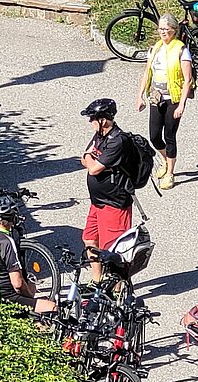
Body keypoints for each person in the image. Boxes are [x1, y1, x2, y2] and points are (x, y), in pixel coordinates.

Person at [136, 13, 193, 190]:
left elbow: (187, 80)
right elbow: (147, 73)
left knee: (169, 136)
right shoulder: (155, 49)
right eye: (160, 29)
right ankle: (165, 160)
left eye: (166, 29)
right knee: (154, 136)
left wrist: (182, 104)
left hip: (173, 99)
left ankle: (170, 173)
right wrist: (140, 95)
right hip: (156, 97)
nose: (162, 32)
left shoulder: (181, 50)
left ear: (174, 31)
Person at [0, 196, 57, 314]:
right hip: (5, 297)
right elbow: (17, 284)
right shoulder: (6, 242)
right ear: (12, 218)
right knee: (51, 307)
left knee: (31, 285)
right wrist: (30, 299)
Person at [80, 98, 133, 282]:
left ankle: (117, 292)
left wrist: (89, 158)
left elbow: (93, 168)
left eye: (92, 118)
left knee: (113, 252)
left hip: (114, 204)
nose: (89, 122)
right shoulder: (100, 136)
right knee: (89, 239)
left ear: (102, 120)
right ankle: (98, 280)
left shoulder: (118, 141)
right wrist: (89, 158)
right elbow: (84, 159)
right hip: (98, 202)